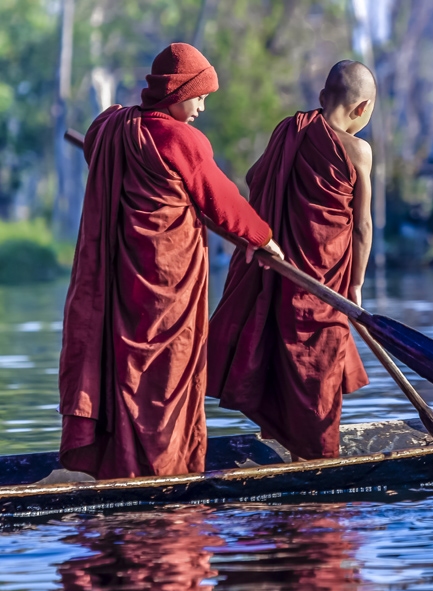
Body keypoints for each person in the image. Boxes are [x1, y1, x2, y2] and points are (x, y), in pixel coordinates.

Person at [59, 43, 285, 480]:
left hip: (123, 284)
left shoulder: (111, 128)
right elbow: (222, 201)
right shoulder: (181, 139)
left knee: (128, 371)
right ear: (178, 92)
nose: (202, 106)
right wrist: (262, 237)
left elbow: (101, 156)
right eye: (199, 96)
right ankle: (164, 469)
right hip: (167, 287)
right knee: (165, 377)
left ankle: (121, 463)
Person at [207, 60, 375, 460]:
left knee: (286, 364)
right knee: (319, 370)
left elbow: (255, 176)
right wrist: (355, 285)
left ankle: (291, 450)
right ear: (361, 109)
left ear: (322, 98)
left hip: (281, 277)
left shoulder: (290, 131)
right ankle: (316, 458)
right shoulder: (358, 151)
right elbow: (364, 226)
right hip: (326, 287)